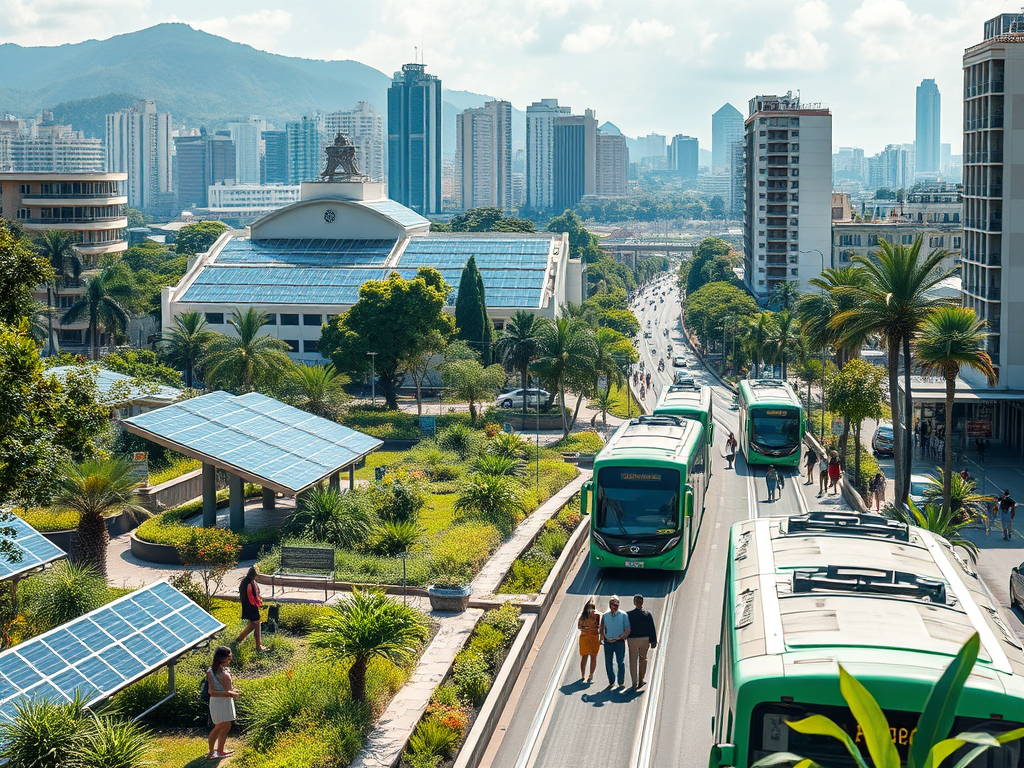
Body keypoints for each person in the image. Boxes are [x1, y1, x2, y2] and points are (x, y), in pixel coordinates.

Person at [206, 646, 240, 759]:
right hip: (218, 701)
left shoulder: (225, 669)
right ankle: (211, 752)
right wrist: (228, 693)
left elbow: (228, 687)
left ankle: (220, 750)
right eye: (227, 659)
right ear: (221, 658)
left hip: (226, 701)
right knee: (219, 726)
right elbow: (211, 691)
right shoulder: (211, 671)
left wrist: (231, 691)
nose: (229, 661)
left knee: (227, 725)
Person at [626, 594, 658, 690]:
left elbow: (626, 627)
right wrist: (653, 641)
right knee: (643, 659)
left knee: (633, 660)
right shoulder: (647, 614)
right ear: (642, 603)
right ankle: (641, 679)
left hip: (632, 640)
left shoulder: (629, 615)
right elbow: (651, 628)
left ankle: (634, 682)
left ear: (634, 603)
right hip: (644, 640)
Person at [599, 595, 630, 689]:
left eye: (616, 604)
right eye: (613, 604)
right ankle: (611, 681)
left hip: (619, 642)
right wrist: (602, 637)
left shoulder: (623, 615)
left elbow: (627, 629)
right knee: (608, 663)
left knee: (620, 662)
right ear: (610, 605)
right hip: (608, 642)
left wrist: (622, 637)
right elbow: (602, 627)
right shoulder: (605, 616)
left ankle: (621, 682)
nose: (615, 606)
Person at [235, 567, 266, 651]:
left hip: (246, 606)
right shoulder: (249, 583)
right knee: (257, 624)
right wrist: (256, 604)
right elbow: (250, 597)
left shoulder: (245, 581)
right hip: (251, 607)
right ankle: (259, 646)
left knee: (252, 625)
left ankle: (238, 640)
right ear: (254, 575)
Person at [577, 599, 601, 684]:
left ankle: (591, 675)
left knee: (594, 656)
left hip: (594, 637)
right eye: (589, 607)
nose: (591, 609)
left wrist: (595, 615)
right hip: (584, 637)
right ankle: (583, 675)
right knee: (584, 656)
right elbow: (579, 626)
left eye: (593, 607)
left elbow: (600, 624)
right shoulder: (582, 616)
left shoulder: (597, 615)